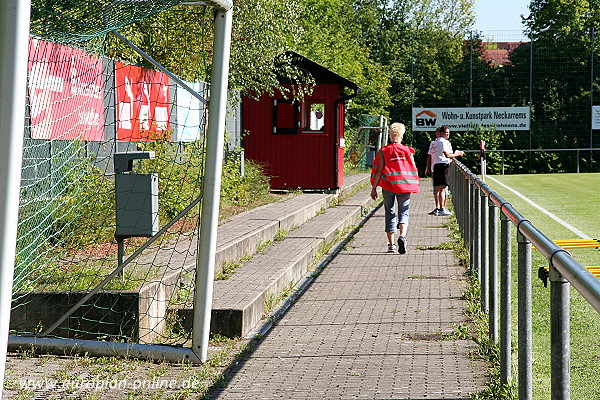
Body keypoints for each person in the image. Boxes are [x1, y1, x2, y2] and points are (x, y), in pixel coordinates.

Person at [370, 122, 420, 254]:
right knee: (403, 212)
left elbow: (379, 171)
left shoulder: (384, 151)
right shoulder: (408, 150)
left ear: (390, 136)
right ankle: (402, 236)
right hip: (404, 186)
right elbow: (412, 168)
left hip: (388, 186)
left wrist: (374, 188)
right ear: (402, 135)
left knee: (389, 212)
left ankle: (391, 245)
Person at [426, 125, 463, 216]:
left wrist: (428, 167)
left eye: (449, 133)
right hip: (443, 166)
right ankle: (442, 208)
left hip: (436, 166)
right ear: (441, 133)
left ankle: (438, 208)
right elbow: (447, 155)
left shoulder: (434, 143)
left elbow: (430, 156)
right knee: (443, 188)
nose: (448, 134)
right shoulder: (444, 142)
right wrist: (458, 154)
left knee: (438, 189)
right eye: (446, 133)